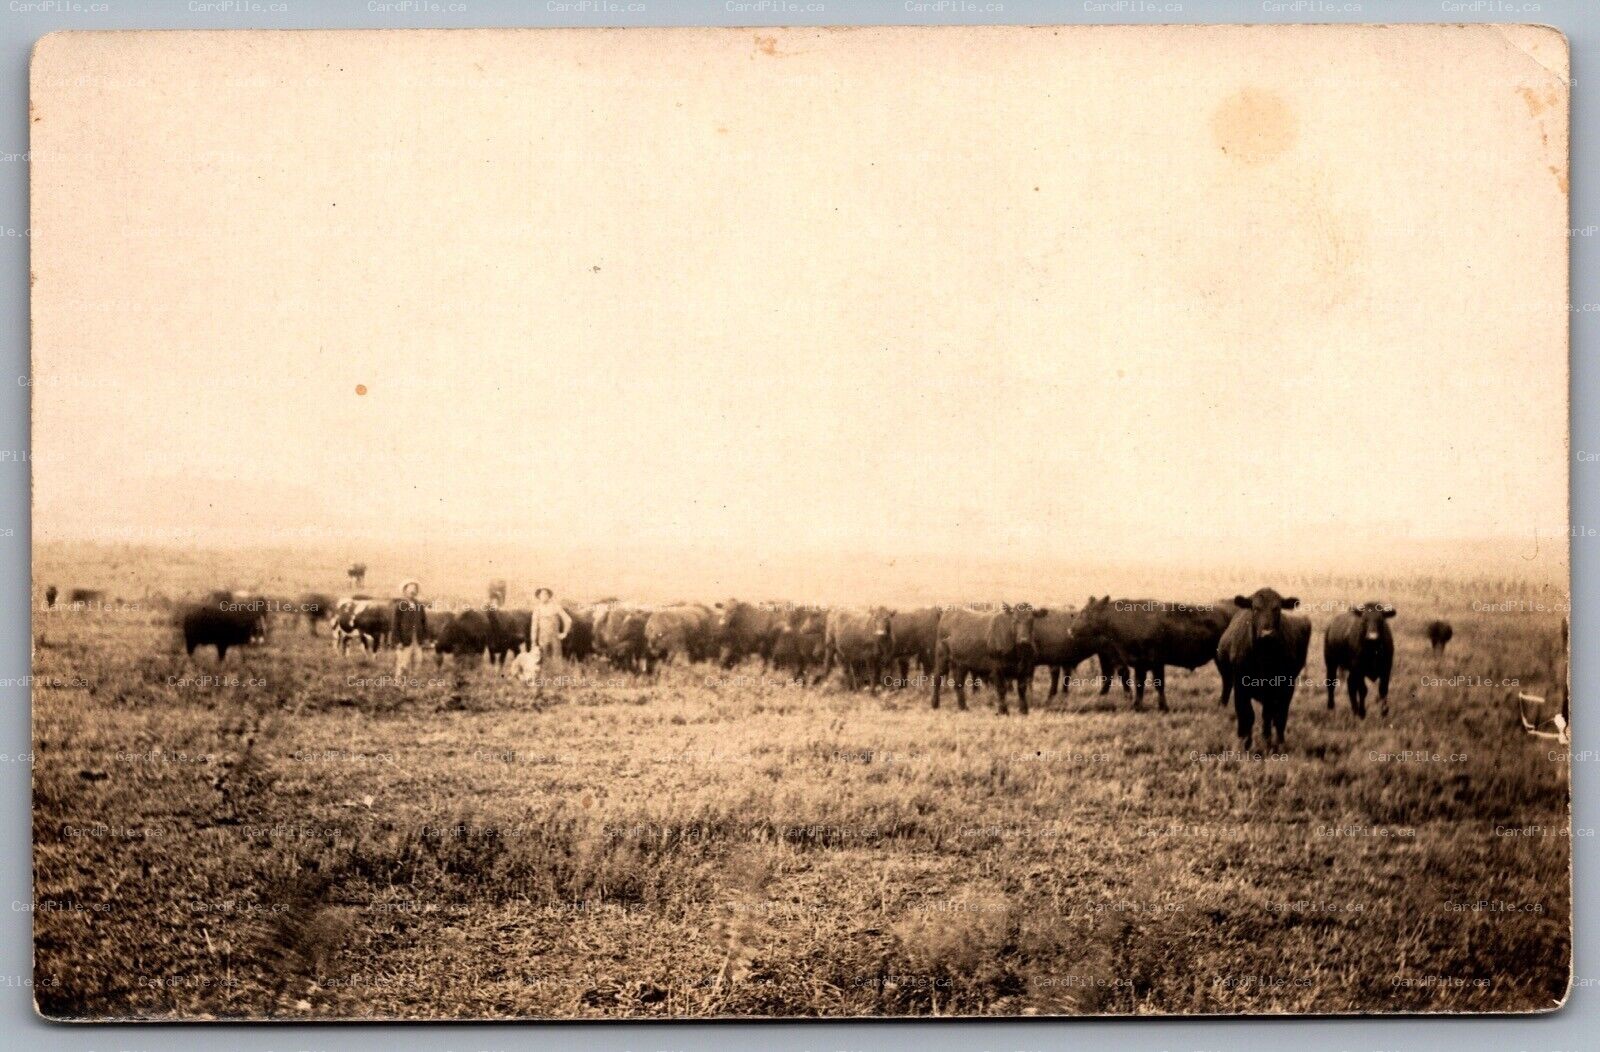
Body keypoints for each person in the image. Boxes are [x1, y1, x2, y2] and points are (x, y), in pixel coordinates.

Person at [530, 586, 572, 674]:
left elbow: (568, 620)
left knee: (556, 661)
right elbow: (534, 627)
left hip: (555, 638)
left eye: (546, 594)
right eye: (541, 594)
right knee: (543, 661)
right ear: (538, 597)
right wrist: (533, 642)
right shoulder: (537, 609)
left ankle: (557, 682)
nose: (543, 596)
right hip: (542, 639)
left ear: (549, 596)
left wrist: (564, 633)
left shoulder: (556, 607)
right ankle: (545, 681)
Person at [392, 578, 427, 680]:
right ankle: (399, 684)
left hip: (417, 639)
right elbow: (395, 625)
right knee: (403, 663)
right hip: (405, 640)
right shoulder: (400, 606)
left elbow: (424, 622)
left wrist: (425, 638)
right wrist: (397, 641)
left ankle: (413, 682)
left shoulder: (419, 606)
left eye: (415, 589)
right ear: (405, 591)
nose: (413, 591)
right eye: (410, 588)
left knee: (418, 660)